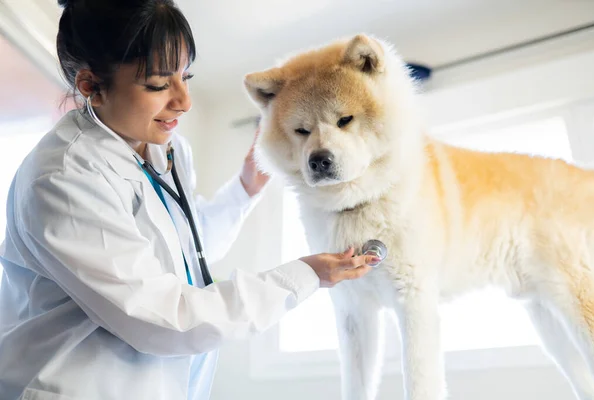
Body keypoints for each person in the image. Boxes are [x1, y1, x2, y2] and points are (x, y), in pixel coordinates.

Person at [0, 1, 378, 399]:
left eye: (186, 76)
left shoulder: (166, 149)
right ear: (91, 86)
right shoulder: (63, 177)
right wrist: (304, 276)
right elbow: (163, 318)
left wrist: (247, 185)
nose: (184, 100)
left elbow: (182, 257)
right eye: (159, 85)